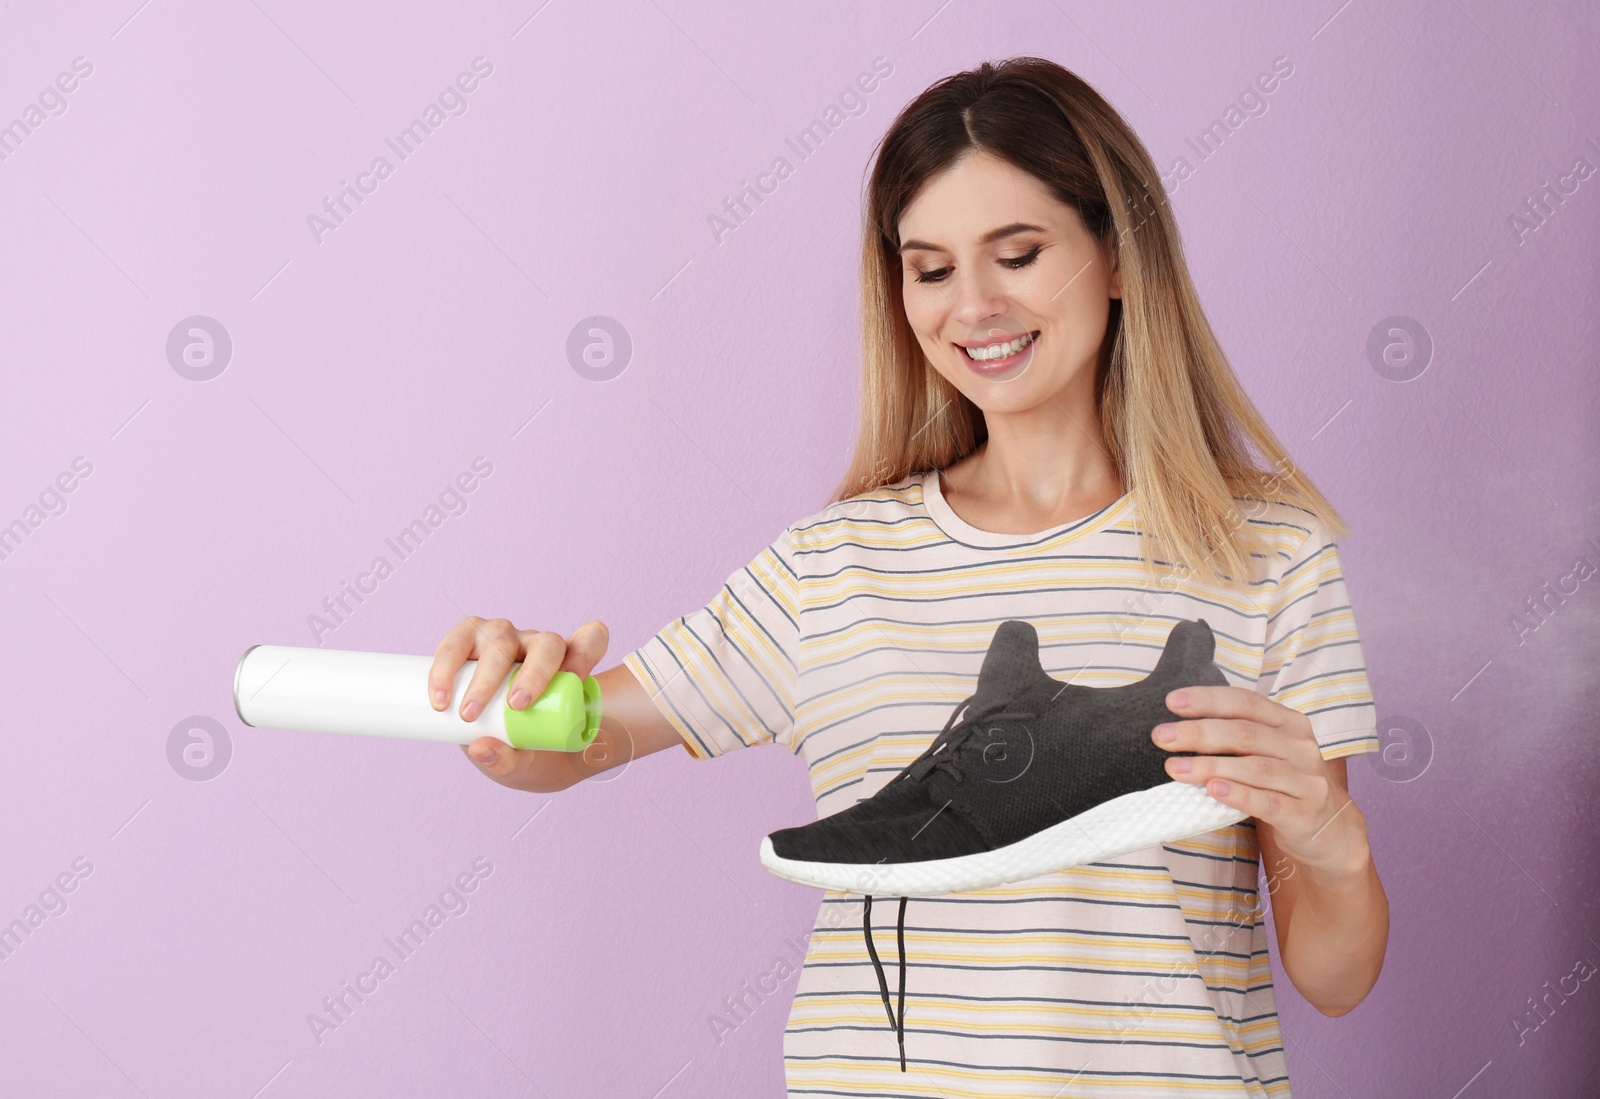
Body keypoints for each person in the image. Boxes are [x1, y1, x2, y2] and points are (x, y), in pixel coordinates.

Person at [428, 55, 1388, 1098]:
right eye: (929, 269)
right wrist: (515, 687)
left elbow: (1333, 978)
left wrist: (1328, 839)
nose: (971, 305)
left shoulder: (1265, 555)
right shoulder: (833, 566)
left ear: (1118, 257)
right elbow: (567, 743)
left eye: (1016, 254)